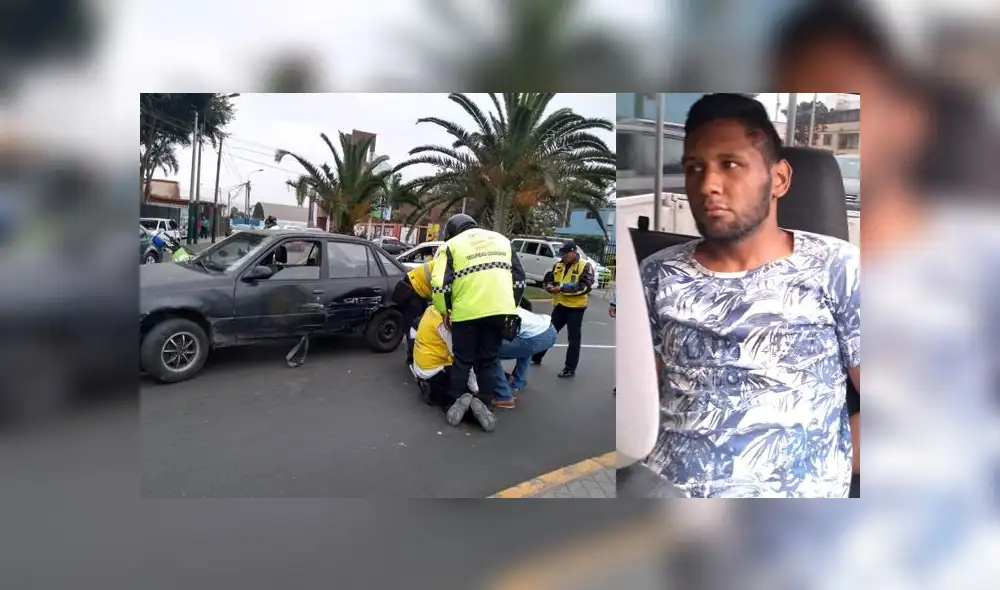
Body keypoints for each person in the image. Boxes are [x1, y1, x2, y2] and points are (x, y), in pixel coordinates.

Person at [639, 93, 860, 498]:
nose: (707, 185)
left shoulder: (839, 269)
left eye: (731, 164)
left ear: (779, 179)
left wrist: (827, 463)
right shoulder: (658, 274)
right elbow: (640, 399)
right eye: (694, 168)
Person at [430, 213, 526, 432]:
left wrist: (444, 310)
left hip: (466, 313)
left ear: (452, 231)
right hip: (500, 311)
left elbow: (439, 284)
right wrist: (511, 306)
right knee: (489, 360)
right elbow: (519, 278)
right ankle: (483, 402)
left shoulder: (451, 246)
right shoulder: (502, 240)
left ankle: (457, 402)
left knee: (463, 360)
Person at [410, 306, 493, 430]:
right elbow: (461, 358)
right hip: (436, 370)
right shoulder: (445, 325)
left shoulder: (431, 309)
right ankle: (472, 410)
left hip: (422, 368)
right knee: (462, 387)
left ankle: (457, 404)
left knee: (448, 393)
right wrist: (476, 389)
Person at [531, 240, 595, 378]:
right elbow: (549, 279)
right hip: (560, 305)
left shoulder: (585, 266)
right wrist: (549, 287)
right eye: (562, 254)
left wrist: (561, 288)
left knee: (573, 339)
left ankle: (569, 368)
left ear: (573, 252)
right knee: (548, 332)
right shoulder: (558, 265)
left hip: (576, 308)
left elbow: (584, 287)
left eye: (566, 254)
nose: (563, 257)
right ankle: (537, 356)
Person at [491, 299, 558, 409]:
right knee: (523, 343)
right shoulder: (503, 302)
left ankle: (504, 397)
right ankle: (517, 385)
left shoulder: (490, 313)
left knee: (487, 353)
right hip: (549, 329)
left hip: (537, 338)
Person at [391, 259, 435, 365]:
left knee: (421, 323)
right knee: (414, 325)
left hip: (418, 287)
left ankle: (417, 355)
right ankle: (412, 358)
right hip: (413, 289)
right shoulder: (446, 268)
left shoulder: (445, 262)